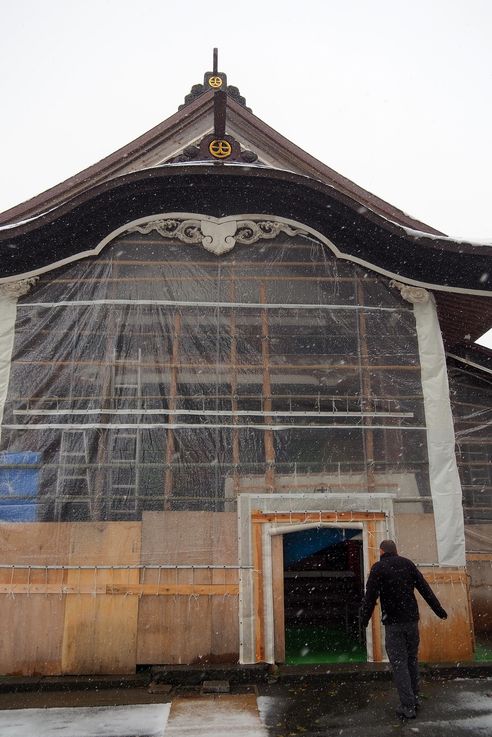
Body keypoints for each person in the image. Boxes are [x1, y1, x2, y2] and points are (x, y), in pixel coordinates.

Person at [359, 539, 448, 720]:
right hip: (412, 622)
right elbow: (425, 589)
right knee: (411, 660)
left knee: (399, 664)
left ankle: (408, 707)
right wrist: (439, 611)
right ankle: (414, 699)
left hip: (393, 623)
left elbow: (369, 598)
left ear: (382, 551)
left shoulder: (378, 568)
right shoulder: (407, 564)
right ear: (396, 551)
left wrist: (363, 620)